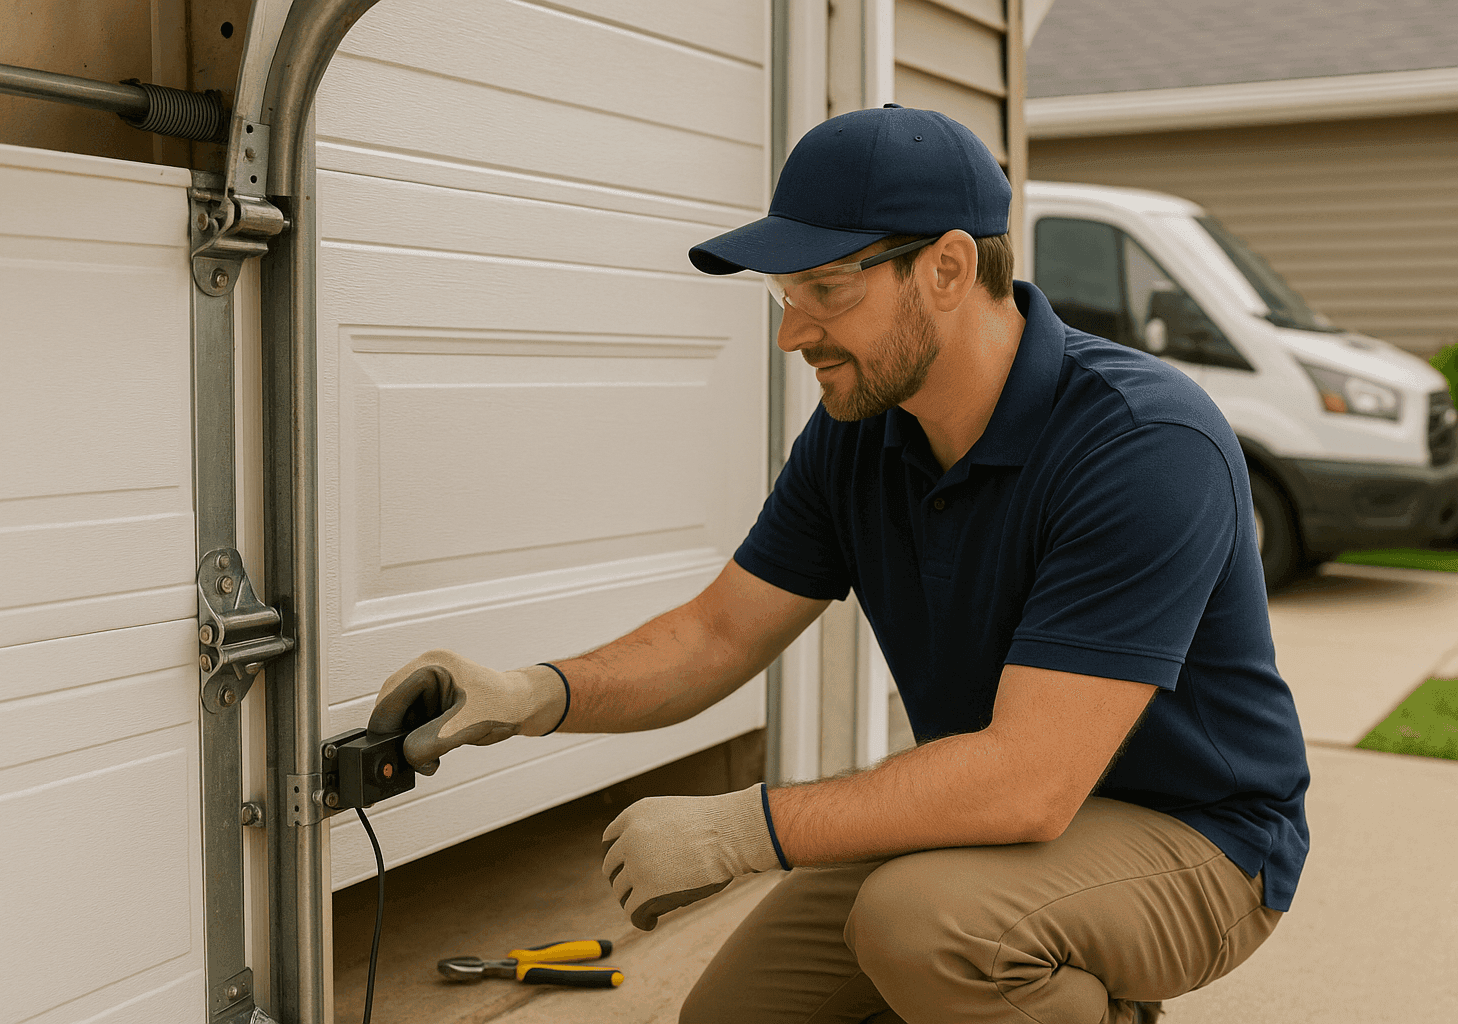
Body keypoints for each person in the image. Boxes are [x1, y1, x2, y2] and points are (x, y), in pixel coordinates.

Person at [369, 105, 1311, 1024]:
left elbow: (1031, 779)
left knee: (928, 929)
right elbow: (717, 633)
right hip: (978, 816)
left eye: (826, 290)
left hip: (1201, 840)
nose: (792, 334)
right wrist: (529, 695)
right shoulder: (860, 432)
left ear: (946, 266)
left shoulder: (1144, 444)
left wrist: (740, 832)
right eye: (785, 295)